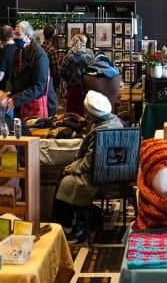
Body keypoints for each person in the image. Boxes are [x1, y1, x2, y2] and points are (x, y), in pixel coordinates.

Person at [52, 91, 124, 243]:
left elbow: (89, 163)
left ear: (91, 114)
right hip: (117, 172)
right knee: (66, 179)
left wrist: (73, 167)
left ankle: (65, 228)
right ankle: (77, 221)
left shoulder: (99, 132)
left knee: (65, 181)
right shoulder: (116, 122)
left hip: (97, 176)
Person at [6, 21, 51, 120]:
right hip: (21, 104)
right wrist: (8, 91)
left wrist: (16, 99)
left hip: (35, 105)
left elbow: (39, 87)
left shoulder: (39, 55)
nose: (14, 37)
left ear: (28, 37)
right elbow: (12, 75)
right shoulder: (18, 50)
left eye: (18, 34)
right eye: (14, 33)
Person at [61, 33, 94, 113]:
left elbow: (62, 73)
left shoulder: (68, 57)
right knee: (84, 111)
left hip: (72, 88)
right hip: (86, 88)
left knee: (72, 112)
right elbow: (93, 72)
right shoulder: (89, 55)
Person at [42, 26, 61, 116]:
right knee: (52, 104)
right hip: (50, 79)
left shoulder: (40, 48)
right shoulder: (52, 50)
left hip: (41, 78)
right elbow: (56, 69)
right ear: (53, 36)